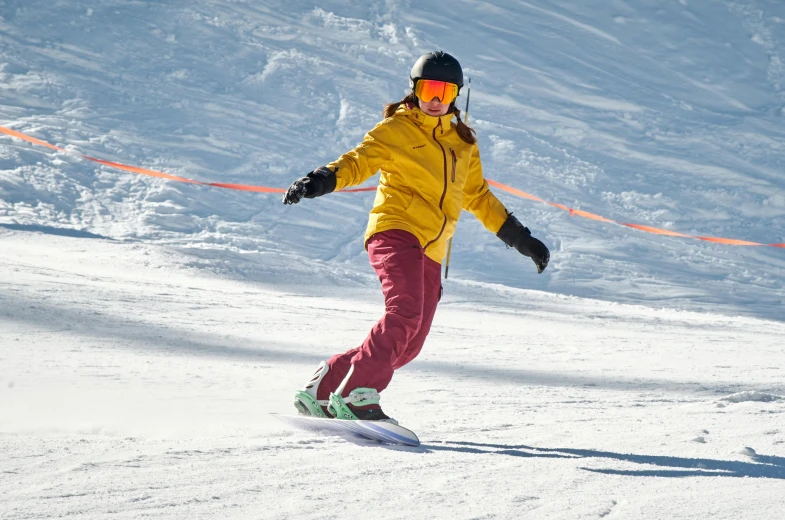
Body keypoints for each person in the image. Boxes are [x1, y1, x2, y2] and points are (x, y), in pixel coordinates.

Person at [282, 51, 550, 422]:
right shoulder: (397, 129)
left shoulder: (463, 143)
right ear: (414, 91)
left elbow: (477, 196)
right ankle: (359, 397)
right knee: (403, 312)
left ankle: (326, 385)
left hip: (432, 249)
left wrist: (522, 239)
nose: (436, 99)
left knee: (406, 345)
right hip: (396, 230)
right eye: (428, 89)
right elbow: (359, 160)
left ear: (455, 94)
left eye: (444, 90)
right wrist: (320, 180)